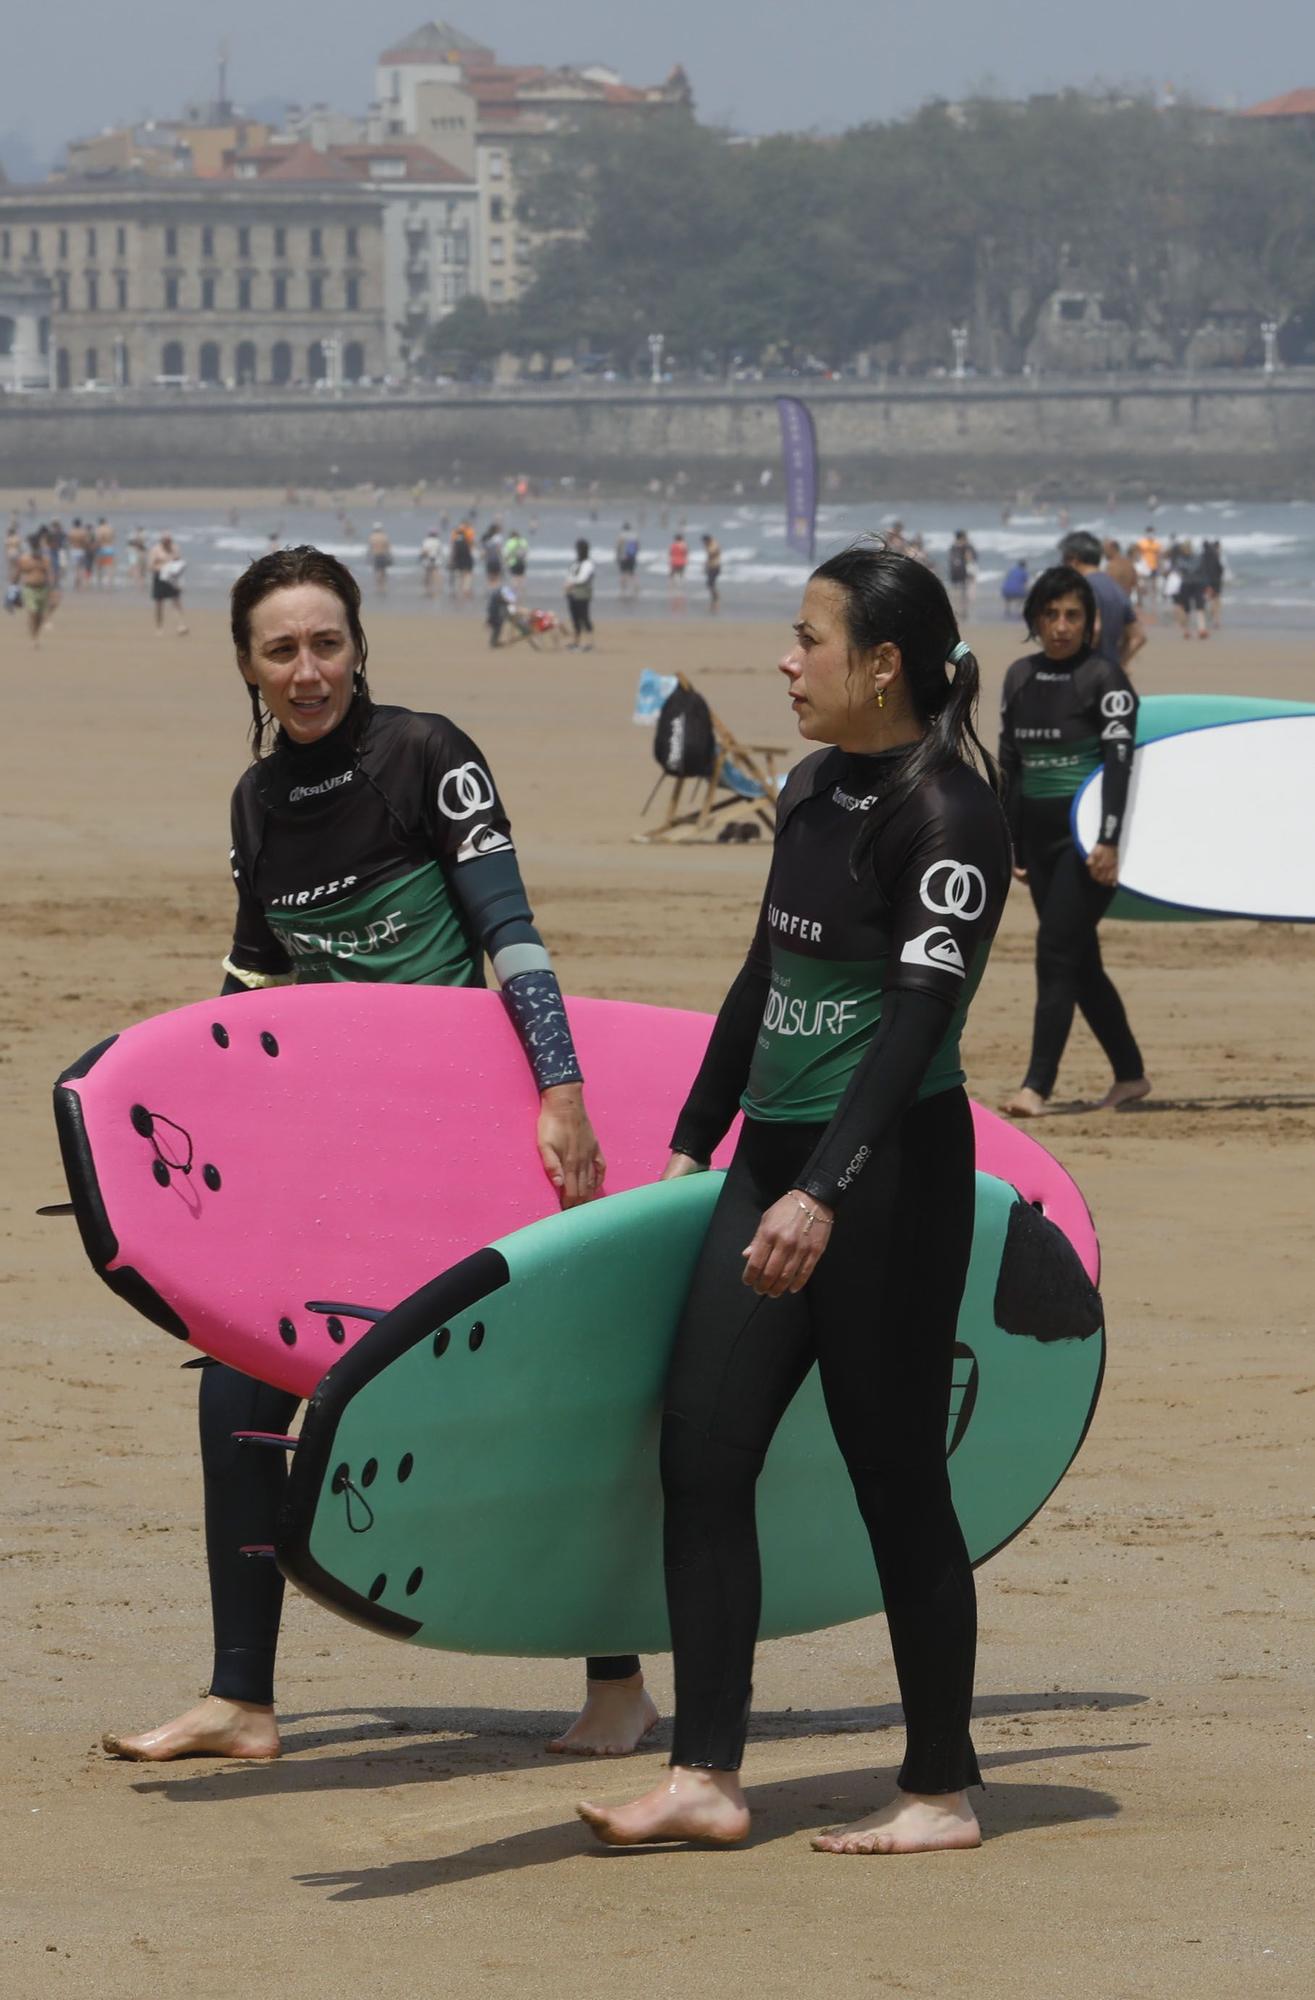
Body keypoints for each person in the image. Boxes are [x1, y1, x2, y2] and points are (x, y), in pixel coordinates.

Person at [101, 546, 656, 1765]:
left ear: (358, 645)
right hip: (343, 1149)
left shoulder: (424, 754)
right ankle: (242, 1698)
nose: (309, 671)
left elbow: (507, 927)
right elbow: (252, 987)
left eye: (327, 643)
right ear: (247, 664)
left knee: (541, 1400)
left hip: (478, 1131)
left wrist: (561, 1091)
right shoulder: (256, 805)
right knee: (239, 1382)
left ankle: (618, 1686)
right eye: (281, 649)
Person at [579, 542, 1011, 1855]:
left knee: (893, 1480)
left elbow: (914, 1022)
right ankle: (706, 1773)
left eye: (808, 639)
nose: (784, 659)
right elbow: (765, 976)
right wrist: (692, 1143)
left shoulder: (950, 818)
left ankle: (937, 1787)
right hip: (768, 1163)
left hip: (881, 1182)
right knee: (700, 1453)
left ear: (881, 664)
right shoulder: (815, 785)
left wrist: (822, 1189)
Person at [998, 566, 1150, 1119]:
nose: (1061, 626)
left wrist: (1108, 839)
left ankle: (1038, 1086)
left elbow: (1119, 765)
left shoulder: (1105, 679)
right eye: (1052, 614)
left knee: (1055, 953)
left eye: (1073, 616)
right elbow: (1010, 766)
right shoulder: (1019, 676)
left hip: (1085, 843)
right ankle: (1130, 1074)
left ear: (1090, 622)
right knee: (1079, 962)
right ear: (1036, 618)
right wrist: (1010, 840)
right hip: (1037, 843)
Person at [1059, 530, 1146, 673]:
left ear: (1073, 560)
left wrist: (1075, 665)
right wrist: (1118, 663)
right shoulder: (1115, 587)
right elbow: (1138, 637)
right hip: (1109, 674)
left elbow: (1095, 628)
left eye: (1063, 560)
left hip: (1087, 673)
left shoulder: (1083, 587)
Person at [149, 532, 189, 635]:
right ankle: (159, 627)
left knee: (176, 601)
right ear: (162, 541)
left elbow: (179, 562)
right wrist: (163, 568)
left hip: (172, 577)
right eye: (166, 541)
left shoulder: (175, 548)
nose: (168, 543)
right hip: (160, 577)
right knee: (159, 604)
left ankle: (181, 625)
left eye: (169, 541)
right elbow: (151, 566)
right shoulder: (156, 550)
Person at [18, 533, 53, 648]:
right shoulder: (24, 558)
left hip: (43, 589)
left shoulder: (45, 559)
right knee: (32, 613)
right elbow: (18, 572)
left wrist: (52, 589)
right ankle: (34, 639)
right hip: (29, 589)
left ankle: (36, 634)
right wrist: (12, 588)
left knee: (39, 616)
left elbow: (50, 573)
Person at [1172, 540, 1209, 641]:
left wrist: (1207, 585)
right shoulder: (1181, 559)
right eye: (1185, 548)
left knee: (1200, 607)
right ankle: (1187, 630)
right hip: (1186, 584)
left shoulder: (1196, 558)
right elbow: (1176, 570)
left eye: (1188, 548)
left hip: (1197, 584)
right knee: (1186, 609)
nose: (1187, 550)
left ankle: (1202, 629)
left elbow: (1201, 571)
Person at [564, 538, 596, 651]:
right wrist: (568, 583)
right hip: (572, 594)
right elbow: (570, 575)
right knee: (575, 618)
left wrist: (571, 583)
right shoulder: (576, 563)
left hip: (582, 594)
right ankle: (576, 642)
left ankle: (590, 642)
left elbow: (582, 578)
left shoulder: (588, 563)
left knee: (585, 617)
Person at [946, 529, 978, 621]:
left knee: (956, 593)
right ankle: (963, 613)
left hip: (954, 573)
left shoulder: (952, 547)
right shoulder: (967, 547)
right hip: (963, 572)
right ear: (963, 537)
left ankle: (956, 613)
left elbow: (951, 561)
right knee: (963, 594)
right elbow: (971, 559)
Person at [615, 523, 640, 602]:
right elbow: (638, 547)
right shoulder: (634, 536)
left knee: (623, 573)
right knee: (632, 573)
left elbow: (618, 547)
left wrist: (617, 557)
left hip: (623, 557)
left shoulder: (621, 536)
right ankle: (636, 588)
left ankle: (623, 590)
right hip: (632, 557)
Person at [367, 523, 392, 595]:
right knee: (383, 572)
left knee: (377, 571)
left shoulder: (372, 537)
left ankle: (378, 587)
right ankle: (383, 587)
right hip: (383, 555)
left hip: (376, 555)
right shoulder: (384, 536)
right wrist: (390, 556)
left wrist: (368, 557)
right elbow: (388, 547)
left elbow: (370, 548)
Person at [419, 528, 443, 598]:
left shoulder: (426, 541)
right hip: (436, 559)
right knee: (436, 575)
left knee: (427, 575)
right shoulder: (438, 541)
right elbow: (440, 552)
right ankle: (437, 590)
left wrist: (421, 557)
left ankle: (428, 590)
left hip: (428, 560)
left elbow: (424, 551)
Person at [702, 533, 722, 613]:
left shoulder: (713, 545)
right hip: (712, 566)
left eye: (704, 542)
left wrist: (706, 564)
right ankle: (714, 601)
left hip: (715, 566)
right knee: (710, 584)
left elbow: (713, 554)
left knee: (710, 584)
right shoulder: (710, 545)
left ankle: (716, 601)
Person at [668, 530, 688, 598]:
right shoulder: (684, 545)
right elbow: (686, 553)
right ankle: (681, 588)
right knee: (681, 575)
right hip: (682, 561)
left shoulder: (673, 545)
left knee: (672, 575)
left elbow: (670, 553)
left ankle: (672, 589)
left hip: (674, 561)